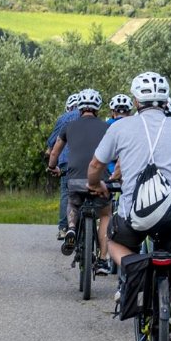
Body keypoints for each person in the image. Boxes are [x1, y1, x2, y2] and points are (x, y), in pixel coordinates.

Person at [87, 71, 171, 341]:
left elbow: (96, 164)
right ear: (166, 100)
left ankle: (132, 269)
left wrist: (96, 184)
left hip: (134, 214)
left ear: (135, 101)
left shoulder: (120, 128)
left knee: (115, 241)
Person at [47, 88, 112, 274]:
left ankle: (72, 228)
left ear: (79, 107)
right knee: (106, 214)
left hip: (74, 178)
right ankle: (102, 261)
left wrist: (53, 167)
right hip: (99, 181)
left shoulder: (69, 126)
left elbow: (55, 152)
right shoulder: (107, 128)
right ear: (98, 107)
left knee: (73, 203)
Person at [45, 93, 80, 240]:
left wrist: (51, 164)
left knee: (66, 194)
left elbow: (52, 143)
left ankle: (63, 229)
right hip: (86, 162)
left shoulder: (63, 119)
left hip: (66, 162)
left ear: (68, 107)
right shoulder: (90, 118)